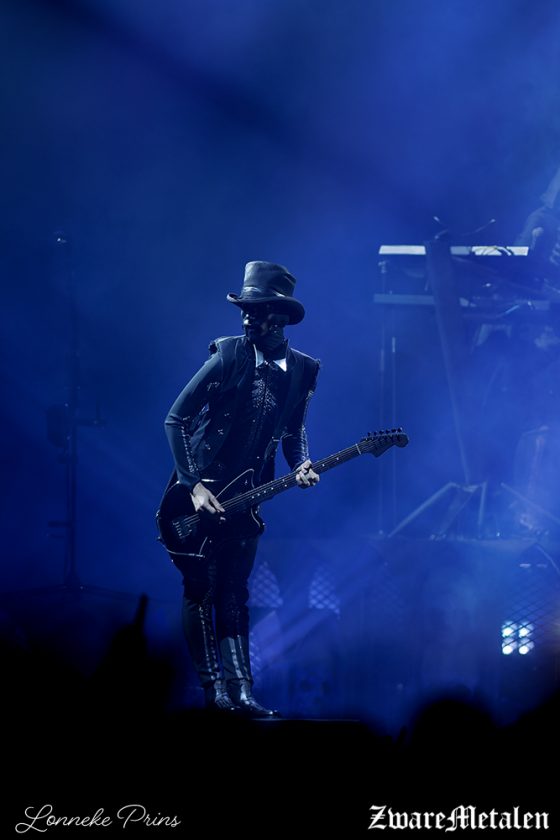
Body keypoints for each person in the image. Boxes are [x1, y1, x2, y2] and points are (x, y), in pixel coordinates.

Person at [163, 261, 320, 716]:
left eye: (259, 310)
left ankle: (243, 692)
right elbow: (176, 419)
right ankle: (214, 691)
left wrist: (301, 463)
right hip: (201, 496)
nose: (248, 318)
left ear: (281, 316)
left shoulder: (304, 370)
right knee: (201, 588)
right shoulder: (229, 354)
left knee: (235, 591)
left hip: (249, 498)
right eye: (244, 309)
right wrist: (193, 486)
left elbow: (294, 430)